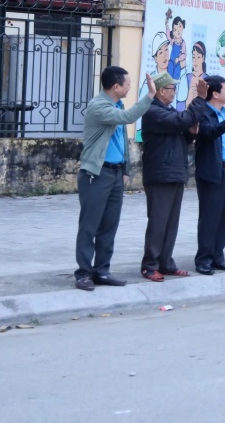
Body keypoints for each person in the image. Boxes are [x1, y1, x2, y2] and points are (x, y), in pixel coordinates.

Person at [74, 66, 155, 291]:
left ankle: (102, 270)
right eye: (128, 84)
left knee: (109, 225)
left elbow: (121, 144)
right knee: (89, 226)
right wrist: (149, 95)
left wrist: (125, 169)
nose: (130, 87)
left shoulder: (116, 105)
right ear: (116, 86)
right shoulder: (99, 106)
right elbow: (128, 117)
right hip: (96, 174)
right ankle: (83, 273)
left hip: (115, 173)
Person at [139, 72, 207, 282]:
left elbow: (181, 132)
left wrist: (191, 133)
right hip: (161, 174)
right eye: (172, 89)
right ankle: (150, 266)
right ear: (160, 91)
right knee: (158, 222)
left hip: (174, 172)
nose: (174, 92)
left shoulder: (167, 111)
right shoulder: (152, 112)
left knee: (171, 223)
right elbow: (181, 120)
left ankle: (165, 263)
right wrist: (200, 99)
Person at [193, 75, 225, 276]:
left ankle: (218, 257)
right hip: (213, 170)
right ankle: (203, 259)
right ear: (216, 93)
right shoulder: (204, 113)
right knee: (210, 217)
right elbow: (208, 133)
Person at [179, 41, 208, 113]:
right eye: (193, 57)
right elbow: (178, 103)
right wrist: (188, 100)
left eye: (198, 57)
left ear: (203, 58)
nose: (195, 61)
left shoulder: (208, 79)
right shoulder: (186, 78)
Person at [164, 8, 186, 81]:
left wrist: (179, 59)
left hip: (178, 64)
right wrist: (167, 25)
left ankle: (174, 89)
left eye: (180, 27)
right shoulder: (173, 41)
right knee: (169, 77)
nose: (178, 31)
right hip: (171, 62)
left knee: (176, 77)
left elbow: (184, 54)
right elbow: (168, 36)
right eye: (175, 29)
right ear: (173, 31)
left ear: (183, 27)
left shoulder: (182, 43)